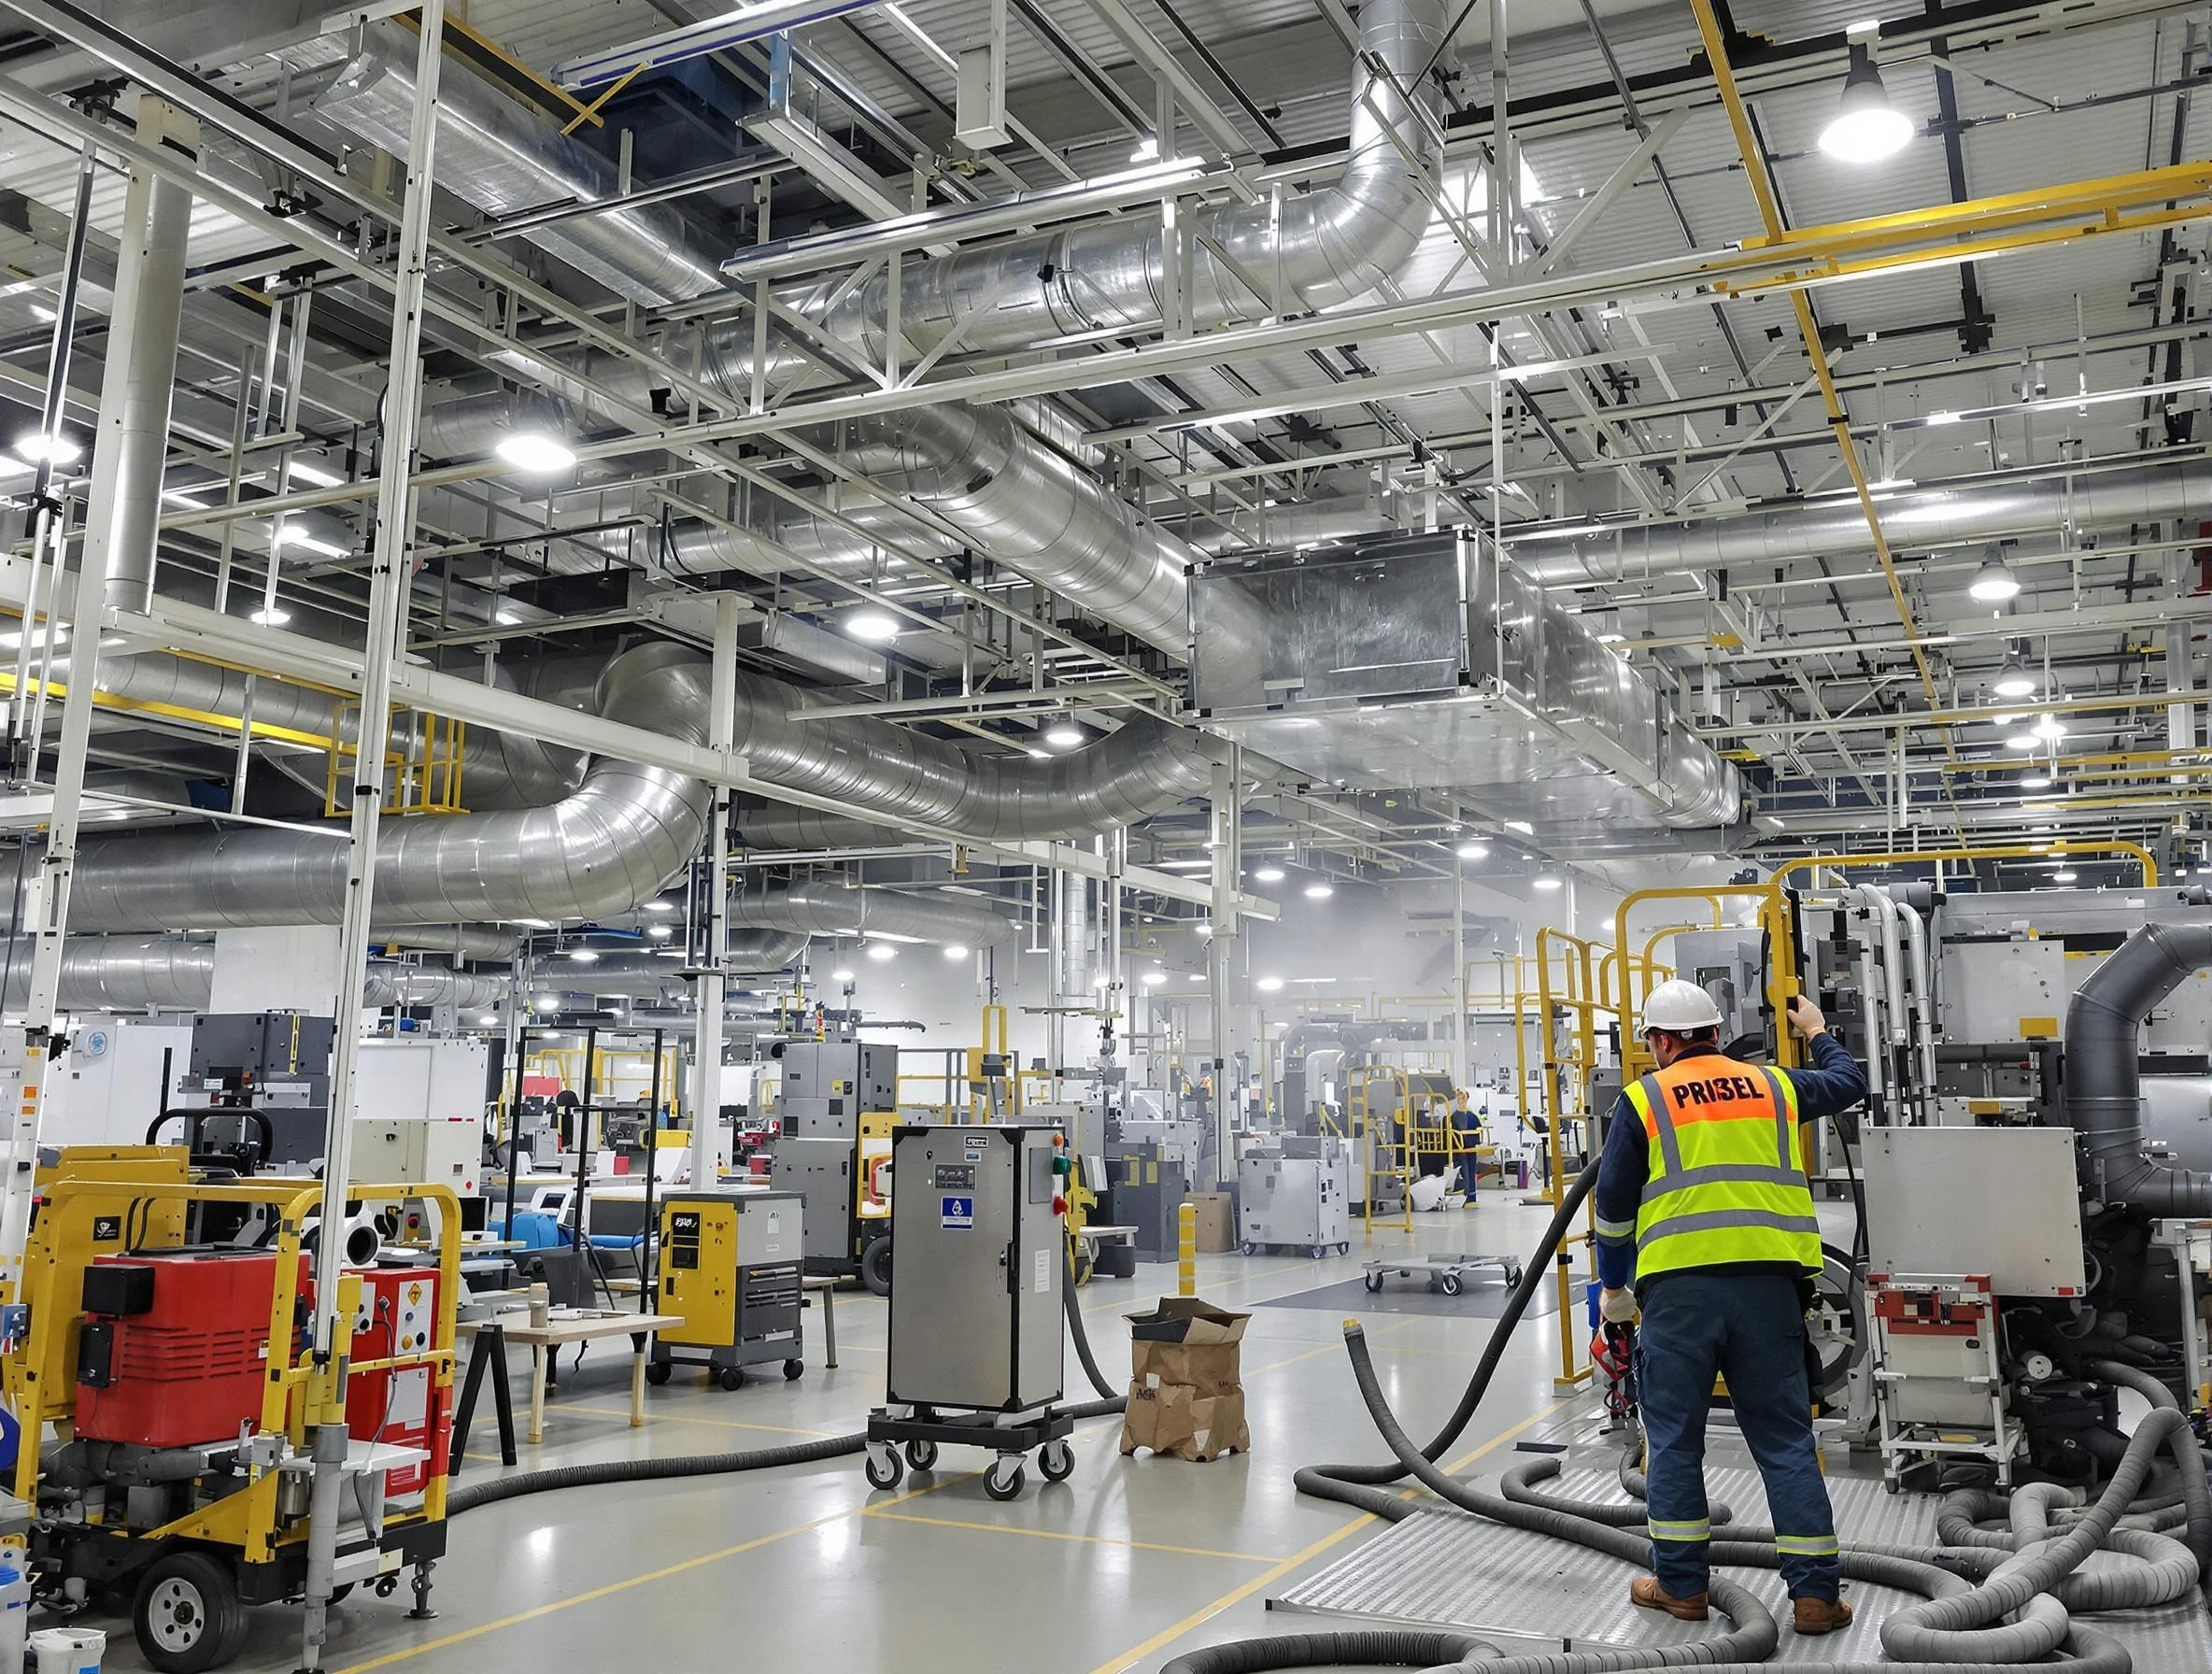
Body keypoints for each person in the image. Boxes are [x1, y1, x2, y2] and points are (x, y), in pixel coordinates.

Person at [1593, 979, 1867, 1636]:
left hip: (1679, 1298)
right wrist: (1816, 1029)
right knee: (1784, 1443)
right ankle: (1814, 1598)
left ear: (1659, 1041)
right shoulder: (1774, 1085)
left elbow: (1611, 1212)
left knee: (1675, 1444)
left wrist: (1612, 1288)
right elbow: (1848, 1081)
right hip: (1769, 1294)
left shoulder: (1644, 1099)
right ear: (1716, 1032)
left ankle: (1682, 1588)